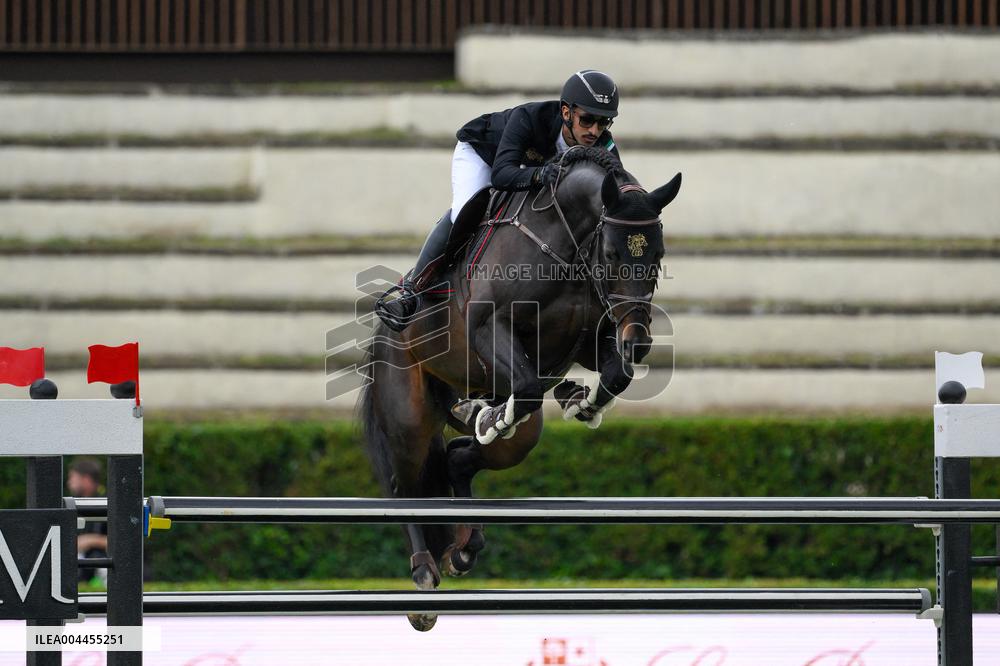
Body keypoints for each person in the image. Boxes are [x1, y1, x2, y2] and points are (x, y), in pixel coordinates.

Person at [376, 69, 622, 332]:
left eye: (603, 122)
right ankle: (411, 291)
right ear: (566, 112)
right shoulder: (528, 118)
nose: (594, 131)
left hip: (528, 168)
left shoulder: (603, 146)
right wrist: (539, 173)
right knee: (467, 208)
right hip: (484, 155)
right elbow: (502, 174)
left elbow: (616, 196)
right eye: (586, 120)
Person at [68, 458, 108, 584]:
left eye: (73, 478)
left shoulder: (107, 504)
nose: (69, 483)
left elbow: (124, 542)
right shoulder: (73, 504)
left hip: (103, 568)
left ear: (86, 480)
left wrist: (90, 540)